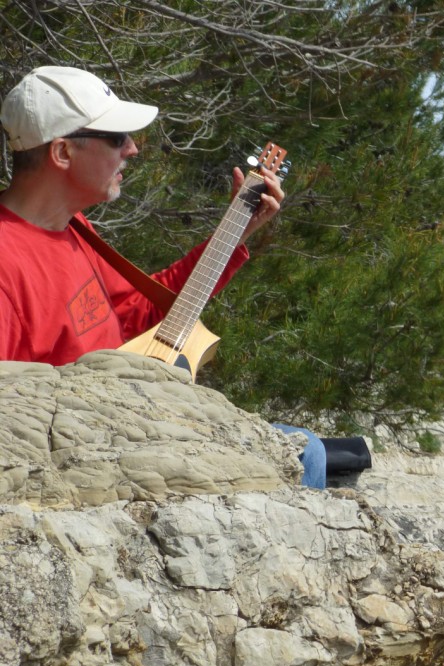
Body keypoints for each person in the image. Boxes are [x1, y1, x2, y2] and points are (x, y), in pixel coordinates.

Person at [0, 65, 325, 488]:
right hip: (92, 459)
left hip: (133, 423)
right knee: (307, 451)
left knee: (309, 448)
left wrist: (234, 234)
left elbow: (140, 312)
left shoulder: (73, 226)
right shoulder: (7, 260)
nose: (132, 149)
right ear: (62, 153)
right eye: (117, 137)